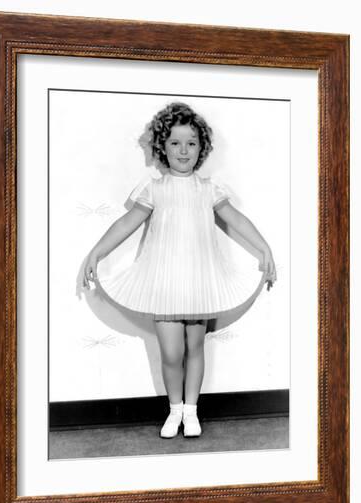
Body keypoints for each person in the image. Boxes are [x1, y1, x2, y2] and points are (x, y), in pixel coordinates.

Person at [82, 102, 276, 439]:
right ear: (162, 147)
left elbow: (237, 220)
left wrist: (265, 248)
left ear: (201, 148)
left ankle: (191, 411)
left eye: (190, 143)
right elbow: (126, 223)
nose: (183, 150)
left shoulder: (210, 190)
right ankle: (174, 410)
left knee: (195, 348)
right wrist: (97, 251)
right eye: (174, 143)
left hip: (199, 280)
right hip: (165, 280)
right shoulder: (154, 189)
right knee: (171, 353)